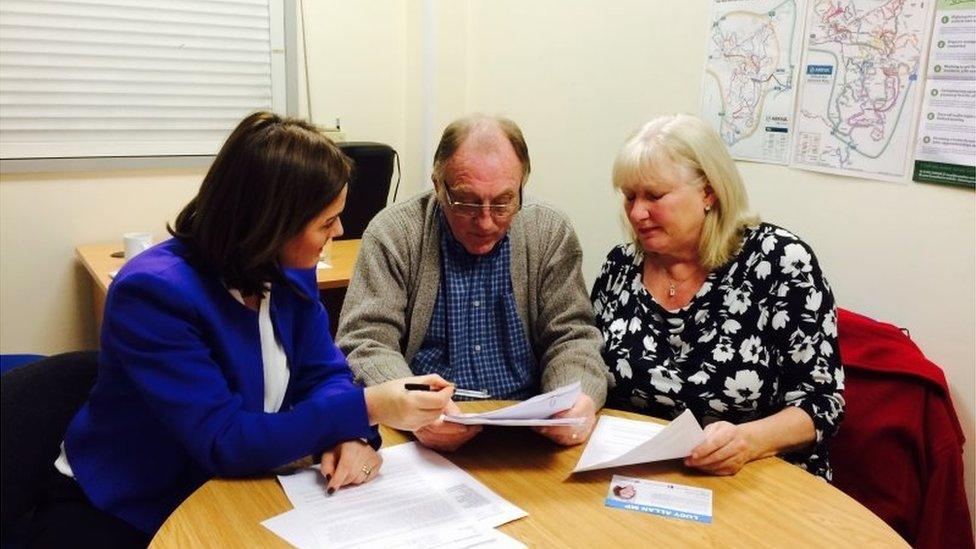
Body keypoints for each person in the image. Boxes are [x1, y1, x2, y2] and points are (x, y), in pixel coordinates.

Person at [29, 112, 454, 547]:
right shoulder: (154, 294)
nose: (340, 232)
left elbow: (323, 374)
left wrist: (347, 434)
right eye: (326, 222)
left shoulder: (288, 268)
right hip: (132, 506)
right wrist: (367, 409)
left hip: (242, 484)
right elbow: (225, 440)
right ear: (271, 225)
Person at [590, 114, 845, 479]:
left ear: (707, 192)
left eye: (654, 196)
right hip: (642, 479)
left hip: (756, 479)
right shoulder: (621, 266)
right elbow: (591, 368)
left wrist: (746, 441)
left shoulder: (780, 262)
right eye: (629, 197)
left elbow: (822, 403)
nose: (637, 212)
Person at [337, 114, 609, 451]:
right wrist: (414, 404)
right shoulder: (394, 233)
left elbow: (573, 335)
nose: (485, 221)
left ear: (522, 184)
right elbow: (366, 340)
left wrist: (575, 397)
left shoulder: (548, 231)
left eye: (502, 202)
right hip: (424, 436)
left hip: (529, 433)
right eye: (466, 202)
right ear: (438, 185)